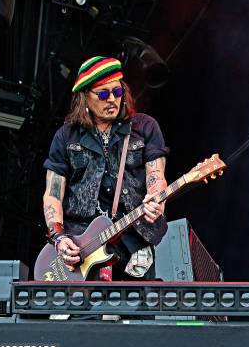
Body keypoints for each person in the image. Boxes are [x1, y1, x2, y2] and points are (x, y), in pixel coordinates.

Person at [42, 56, 169, 280]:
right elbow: (53, 195)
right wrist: (59, 238)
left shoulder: (144, 127)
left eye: (117, 92)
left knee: (136, 310)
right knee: (81, 313)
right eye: (102, 94)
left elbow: (156, 176)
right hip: (83, 247)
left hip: (134, 242)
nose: (112, 99)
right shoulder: (66, 136)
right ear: (84, 97)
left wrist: (157, 199)